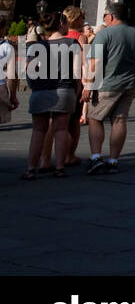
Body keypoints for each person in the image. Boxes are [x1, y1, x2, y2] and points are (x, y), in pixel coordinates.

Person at [84, 2, 135, 175]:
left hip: (107, 84)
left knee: (95, 118)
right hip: (129, 84)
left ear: (110, 16)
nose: (104, 19)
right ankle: (113, 161)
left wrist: (89, 86)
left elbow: (95, 62)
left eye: (105, 15)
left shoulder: (104, 34)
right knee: (119, 121)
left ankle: (96, 157)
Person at [23, 13, 81, 180]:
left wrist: (36, 87)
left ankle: (31, 168)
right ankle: (60, 168)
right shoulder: (72, 43)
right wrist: (76, 90)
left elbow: (29, 71)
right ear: (62, 24)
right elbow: (77, 72)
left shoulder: (36, 46)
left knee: (38, 131)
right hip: (64, 89)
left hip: (40, 91)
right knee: (61, 129)